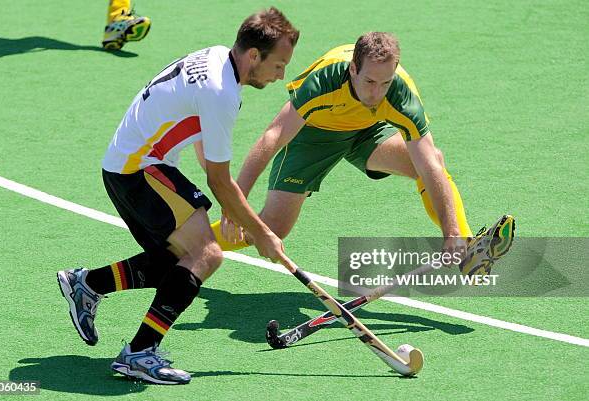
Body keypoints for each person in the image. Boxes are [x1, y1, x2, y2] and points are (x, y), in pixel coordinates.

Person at [57, 7, 299, 385]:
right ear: (254, 55)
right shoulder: (221, 92)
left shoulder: (219, 58)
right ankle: (139, 353)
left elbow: (206, 150)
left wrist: (232, 210)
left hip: (133, 164)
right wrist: (263, 233)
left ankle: (89, 284)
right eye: (280, 64)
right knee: (206, 253)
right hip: (138, 169)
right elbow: (219, 180)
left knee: (177, 259)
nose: (282, 74)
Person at [210, 32, 510, 272]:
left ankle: (469, 251)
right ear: (353, 69)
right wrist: (235, 201)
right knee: (274, 227)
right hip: (314, 135)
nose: (376, 92)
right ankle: (194, 241)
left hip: (365, 133)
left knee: (433, 161)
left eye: (385, 83)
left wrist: (452, 232)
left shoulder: (400, 94)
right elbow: (273, 135)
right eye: (369, 81)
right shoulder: (324, 82)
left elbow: (429, 163)